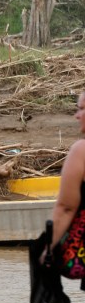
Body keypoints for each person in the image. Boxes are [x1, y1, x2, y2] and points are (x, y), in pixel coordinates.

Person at [51, 92, 85, 255]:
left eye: (81, 109)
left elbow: (65, 208)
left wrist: (48, 250)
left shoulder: (81, 151)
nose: (76, 116)